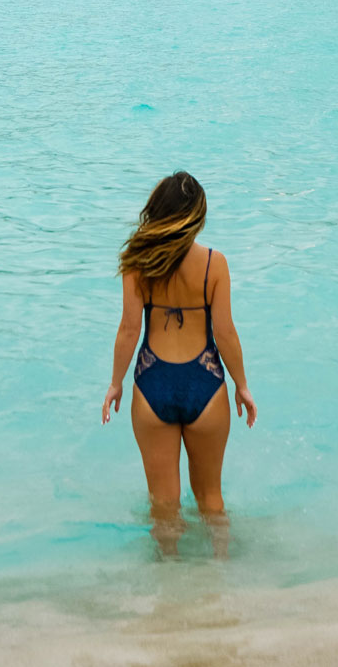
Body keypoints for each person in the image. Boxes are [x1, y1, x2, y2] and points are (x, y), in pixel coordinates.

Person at [101, 172, 257, 551]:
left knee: (164, 507)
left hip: (152, 382)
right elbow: (225, 333)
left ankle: (169, 582)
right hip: (205, 382)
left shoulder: (136, 260)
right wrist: (242, 385)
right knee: (211, 501)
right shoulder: (214, 264)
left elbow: (127, 329)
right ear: (196, 216)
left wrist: (115, 383)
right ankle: (221, 570)